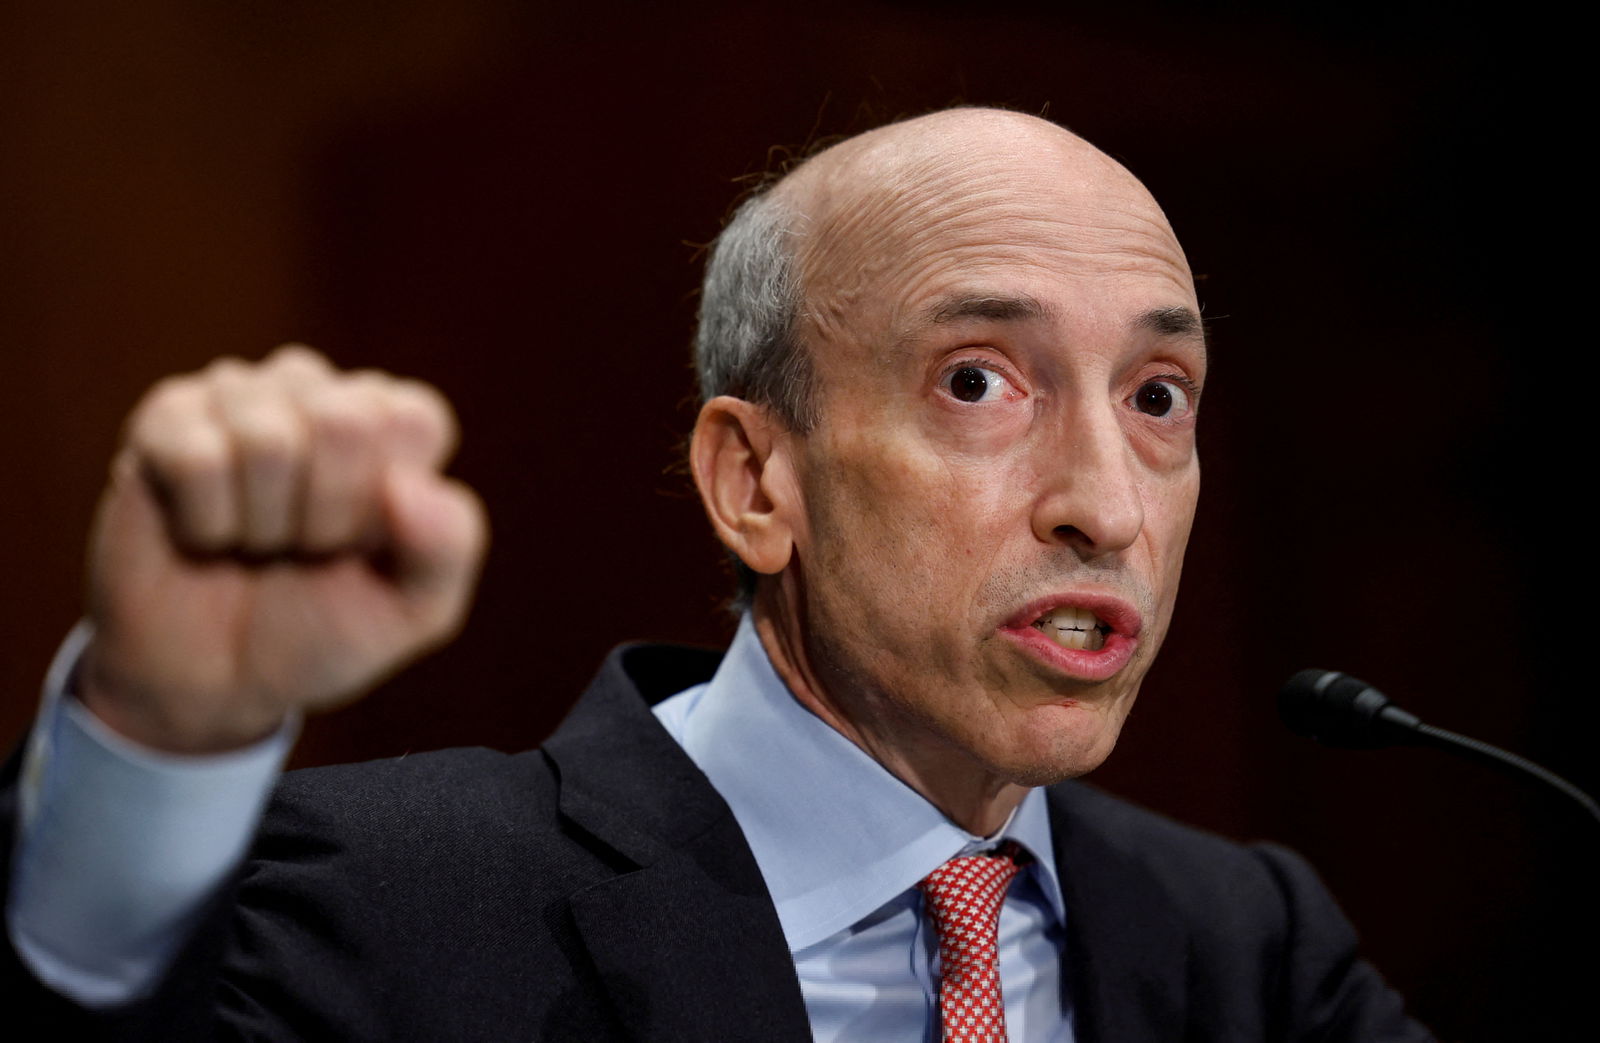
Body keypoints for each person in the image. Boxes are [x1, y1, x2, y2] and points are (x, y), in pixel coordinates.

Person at [2, 108, 1432, 1040]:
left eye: (1159, 397)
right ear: (758, 482)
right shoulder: (397, 905)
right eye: (981, 381)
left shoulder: (1248, 952)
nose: (1105, 508)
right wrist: (155, 739)